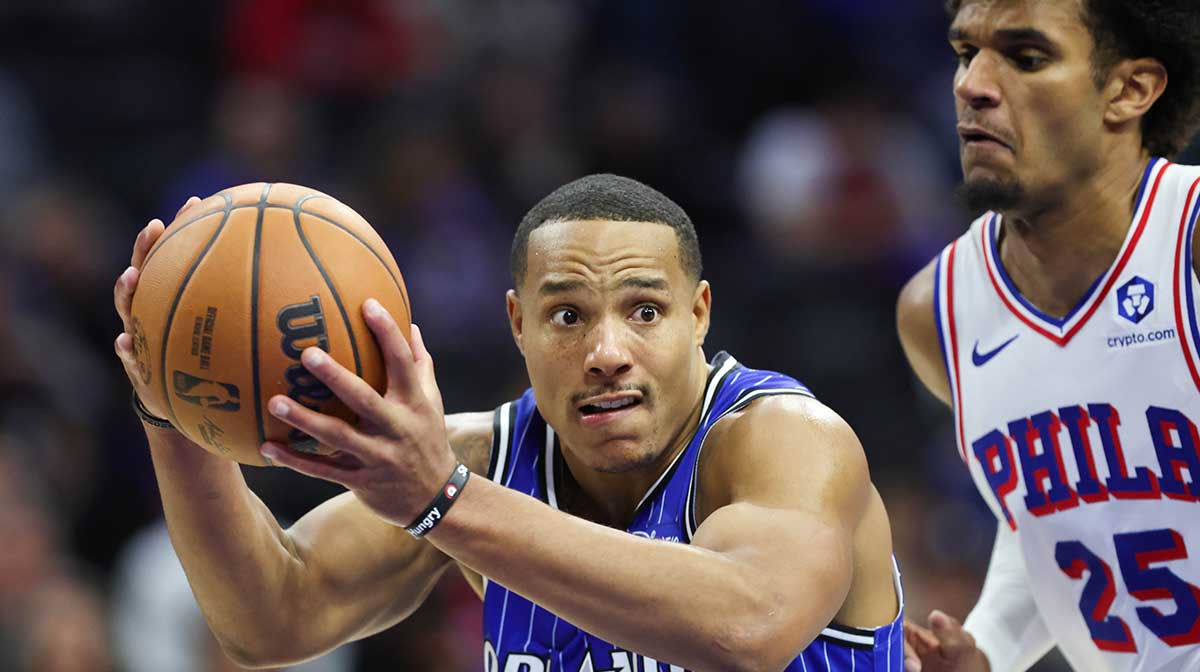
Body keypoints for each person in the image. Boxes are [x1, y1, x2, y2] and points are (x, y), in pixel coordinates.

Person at [113, 174, 907, 671]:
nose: (606, 352)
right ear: (516, 325)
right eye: (566, 314)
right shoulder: (477, 461)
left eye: (645, 311)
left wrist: (444, 502)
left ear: (699, 316)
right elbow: (271, 619)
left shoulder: (789, 438)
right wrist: (171, 413)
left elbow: (749, 627)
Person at [896, 1, 1200, 671]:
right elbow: (1051, 525)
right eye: (964, 53)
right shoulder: (937, 310)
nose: (972, 84)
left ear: (1130, 90)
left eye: (1026, 57)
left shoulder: (1190, 239)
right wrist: (990, 651)